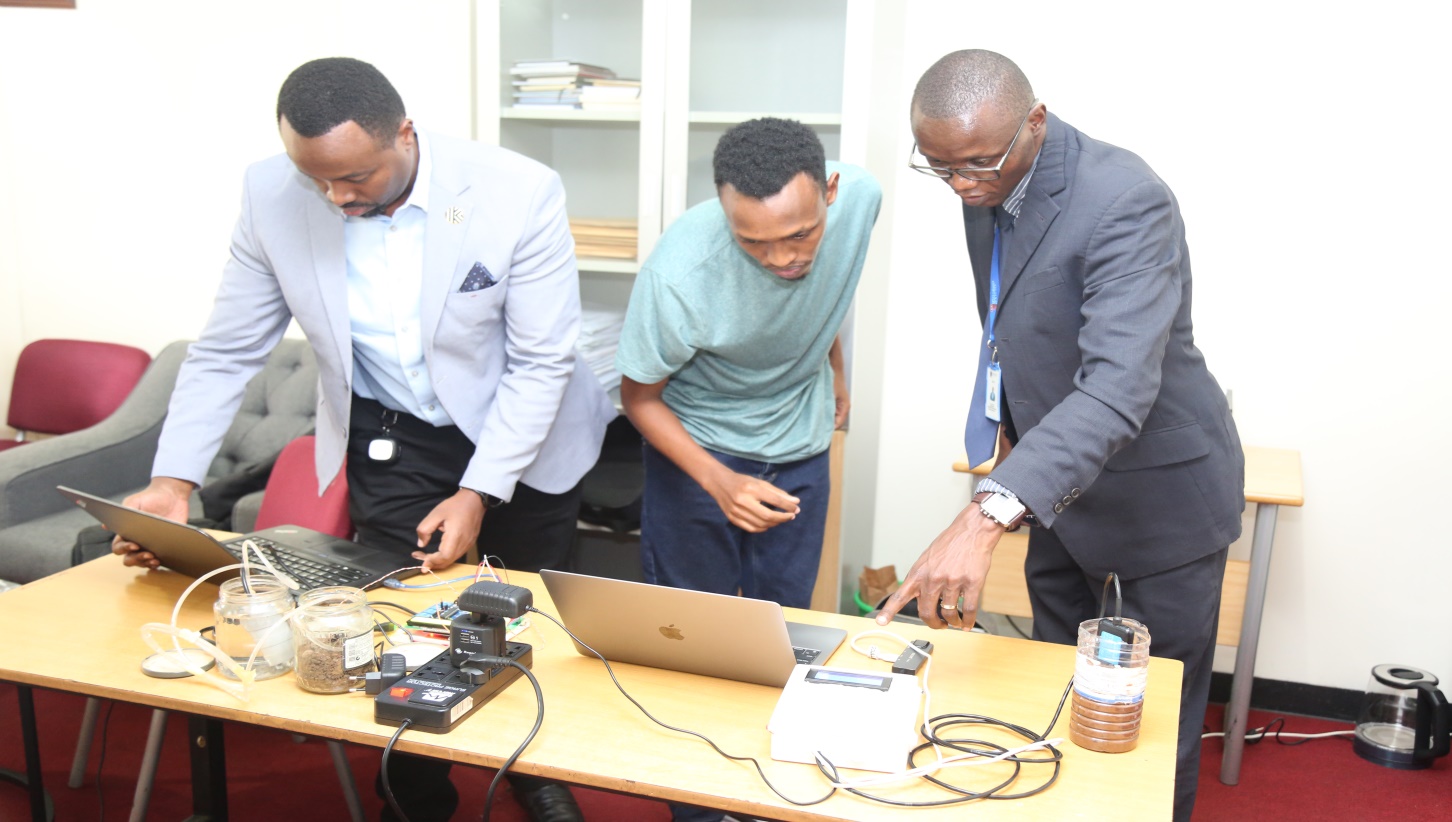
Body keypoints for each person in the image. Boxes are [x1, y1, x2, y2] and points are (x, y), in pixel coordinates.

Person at [111, 57, 612, 822]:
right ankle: (413, 796)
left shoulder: (516, 190)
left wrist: (479, 491)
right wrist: (174, 479)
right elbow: (226, 350)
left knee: (524, 615)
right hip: (395, 434)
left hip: (526, 437)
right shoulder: (272, 195)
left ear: (404, 135)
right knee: (399, 624)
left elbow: (542, 361)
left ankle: (535, 775)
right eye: (315, 178)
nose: (335, 197)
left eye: (355, 178)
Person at [876, 50, 1244, 822]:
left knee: (1145, 725)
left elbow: (1117, 386)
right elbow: (1018, 325)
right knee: (1049, 695)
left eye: (979, 163)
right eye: (941, 168)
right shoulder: (986, 177)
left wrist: (985, 514)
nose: (964, 185)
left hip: (1161, 493)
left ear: (1034, 122)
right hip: (1062, 492)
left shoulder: (1126, 200)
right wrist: (1016, 456)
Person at [617, 118, 880, 612]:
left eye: (801, 234)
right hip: (699, 449)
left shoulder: (862, 197)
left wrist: (835, 369)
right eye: (752, 242)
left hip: (801, 443)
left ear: (832, 192)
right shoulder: (677, 276)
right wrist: (720, 481)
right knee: (691, 631)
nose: (780, 258)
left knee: (782, 624)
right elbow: (639, 398)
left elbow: (826, 293)